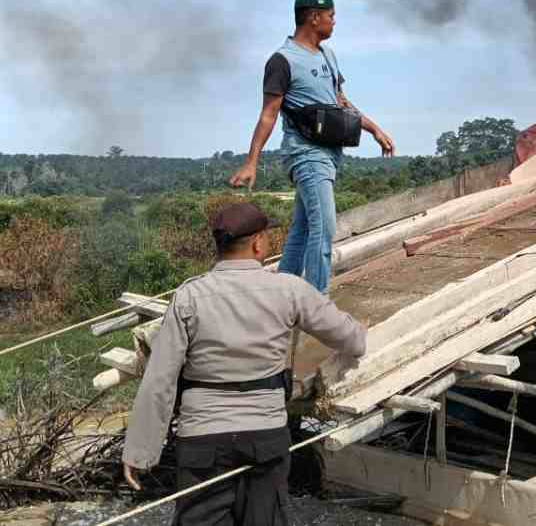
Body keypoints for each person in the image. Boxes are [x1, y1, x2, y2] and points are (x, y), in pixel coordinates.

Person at [121, 201, 367, 525]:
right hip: (265, 436)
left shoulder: (189, 297)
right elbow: (352, 340)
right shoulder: (289, 289)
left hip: (202, 440)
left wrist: (140, 452)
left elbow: (160, 380)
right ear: (257, 243)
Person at [229, 0, 394, 293]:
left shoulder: (328, 56)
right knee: (325, 227)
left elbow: (341, 103)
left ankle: (281, 294)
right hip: (305, 154)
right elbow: (269, 113)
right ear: (314, 17)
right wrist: (252, 161)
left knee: (303, 229)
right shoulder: (282, 60)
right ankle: (316, 303)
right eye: (331, 16)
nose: (335, 21)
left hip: (330, 154)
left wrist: (374, 129)